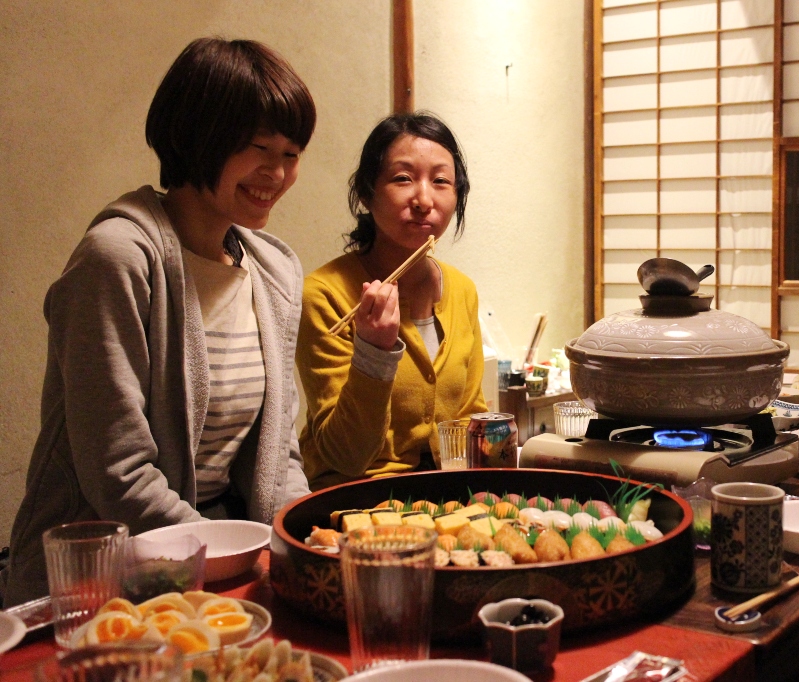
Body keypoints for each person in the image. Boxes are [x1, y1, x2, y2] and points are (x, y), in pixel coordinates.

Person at [1, 38, 315, 607]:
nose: (277, 173)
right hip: (98, 586)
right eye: (259, 149)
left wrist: (302, 545)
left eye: (291, 154)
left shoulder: (272, 268)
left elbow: (278, 452)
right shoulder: (117, 258)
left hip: (219, 570)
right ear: (199, 135)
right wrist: (229, 555)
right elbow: (118, 473)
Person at [296, 112, 487, 488]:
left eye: (441, 181)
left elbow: (470, 417)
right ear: (366, 193)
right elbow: (346, 455)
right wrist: (373, 352)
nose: (424, 199)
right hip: (352, 494)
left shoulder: (462, 290)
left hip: (442, 495)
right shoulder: (326, 294)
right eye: (403, 178)